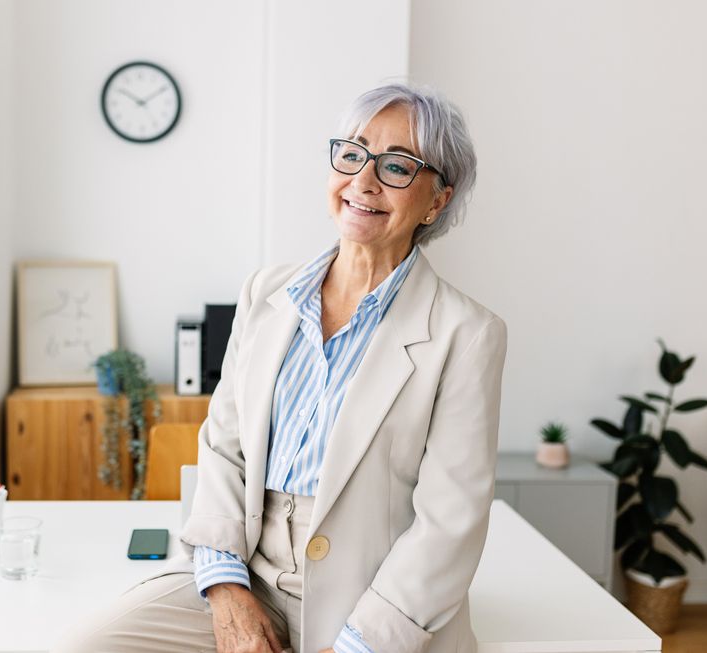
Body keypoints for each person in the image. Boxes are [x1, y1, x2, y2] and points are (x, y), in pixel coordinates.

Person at [52, 82, 508, 653]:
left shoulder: (467, 334)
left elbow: (450, 524)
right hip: (247, 570)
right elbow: (224, 447)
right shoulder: (267, 292)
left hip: (367, 601)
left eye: (397, 166)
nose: (363, 181)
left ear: (438, 200)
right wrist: (225, 590)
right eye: (352, 153)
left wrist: (356, 644)